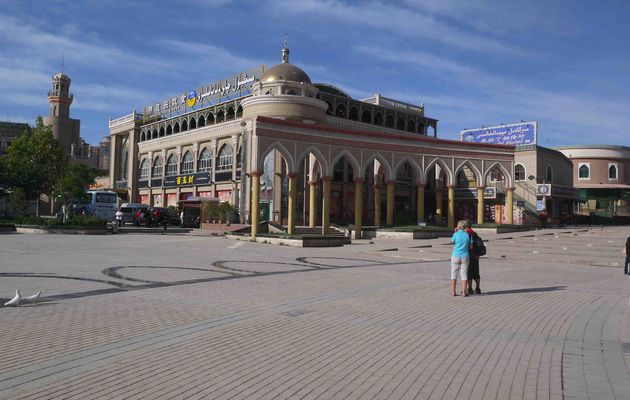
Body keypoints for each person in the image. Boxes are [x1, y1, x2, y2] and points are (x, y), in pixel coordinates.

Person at [450, 220, 472, 296]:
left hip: (455, 255)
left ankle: (453, 292)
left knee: (453, 273)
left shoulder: (455, 234)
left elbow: (452, 242)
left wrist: (455, 232)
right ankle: (464, 292)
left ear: (458, 227)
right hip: (465, 256)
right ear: (465, 227)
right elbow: (471, 246)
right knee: (464, 273)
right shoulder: (468, 235)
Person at [465, 220, 482, 294]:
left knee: (469, 273)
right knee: (476, 272)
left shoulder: (466, 233)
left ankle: (469, 289)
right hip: (476, 256)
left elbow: (469, 246)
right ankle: (478, 288)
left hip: (469, 255)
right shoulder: (474, 233)